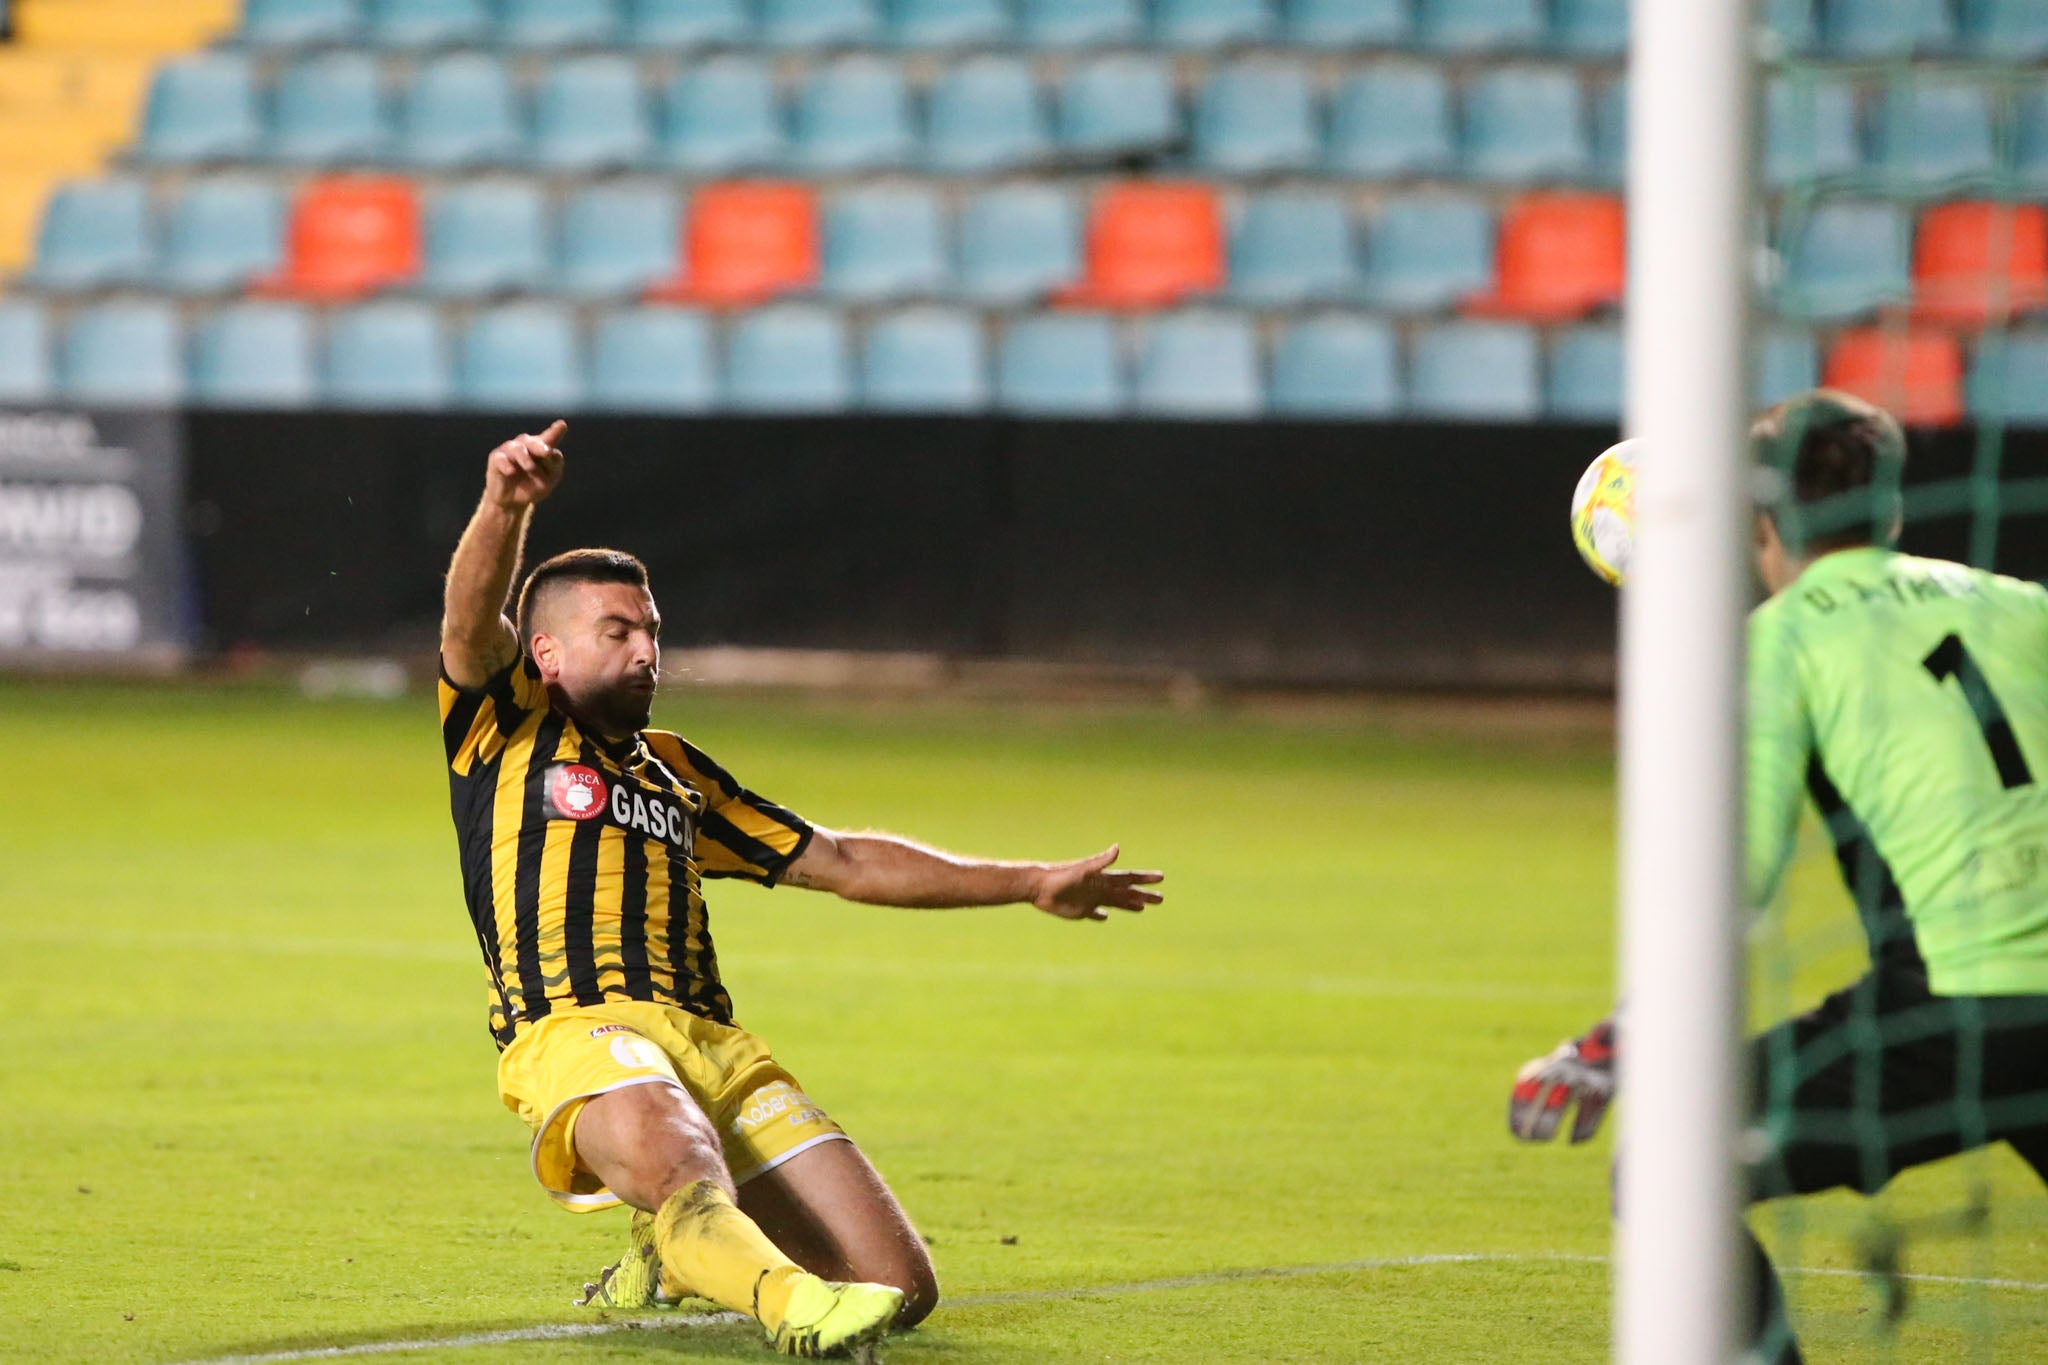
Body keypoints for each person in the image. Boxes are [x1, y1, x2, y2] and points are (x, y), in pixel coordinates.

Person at [438, 421, 1164, 1359]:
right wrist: (506, 504)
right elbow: (466, 621)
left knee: (898, 1286)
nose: (644, 650)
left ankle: (666, 1258)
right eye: (615, 631)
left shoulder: (675, 774)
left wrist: (1030, 881)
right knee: (682, 1166)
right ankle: (790, 1308)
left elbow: (844, 858)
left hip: (712, 1043)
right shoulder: (507, 729)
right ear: (544, 653)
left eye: (651, 630)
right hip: (578, 1029)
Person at [1508, 390, 2048, 1362]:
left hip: (1955, 1010)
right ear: (1887, 508)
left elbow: (1726, 888)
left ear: (1756, 519)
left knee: (1669, 1174)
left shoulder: (1777, 644)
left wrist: (1611, 1042)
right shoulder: (2019, 605)